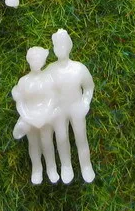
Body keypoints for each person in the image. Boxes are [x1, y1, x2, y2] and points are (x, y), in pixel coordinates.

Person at [47, 29, 95, 183]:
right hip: (59, 111)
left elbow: (89, 87)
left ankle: (86, 166)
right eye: (56, 46)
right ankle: (66, 167)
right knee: (61, 138)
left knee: (81, 138)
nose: (60, 49)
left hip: (76, 109)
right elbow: (46, 90)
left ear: (69, 46)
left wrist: (85, 103)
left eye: (63, 45)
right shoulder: (50, 70)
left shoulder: (79, 68)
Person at [12, 47, 60, 185]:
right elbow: (20, 102)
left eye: (39, 59)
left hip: (45, 117)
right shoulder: (24, 81)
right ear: (29, 60)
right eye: (33, 59)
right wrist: (27, 116)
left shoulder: (48, 79)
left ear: (43, 61)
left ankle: (51, 169)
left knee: (47, 142)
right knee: (33, 144)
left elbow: (52, 99)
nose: (36, 61)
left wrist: (44, 114)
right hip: (30, 117)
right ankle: (37, 169)